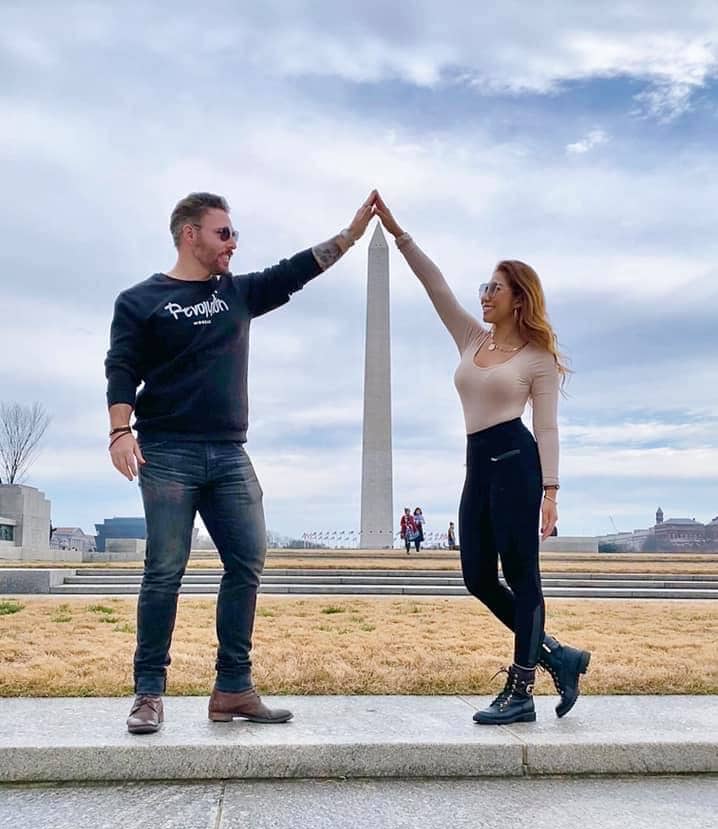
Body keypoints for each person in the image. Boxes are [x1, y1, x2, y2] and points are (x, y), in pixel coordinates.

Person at [106, 190, 377, 734]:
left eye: (234, 233)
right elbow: (121, 366)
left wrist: (349, 236)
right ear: (190, 234)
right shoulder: (139, 300)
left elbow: (295, 271)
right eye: (223, 232)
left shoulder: (239, 293)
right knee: (164, 571)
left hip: (229, 452)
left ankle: (233, 688)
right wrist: (119, 429)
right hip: (167, 451)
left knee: (248, 560)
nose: (234, 242)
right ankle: (148, 693)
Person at [374, 192, 591, 725]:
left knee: (524, 579)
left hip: (517, 466)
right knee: (476, 576)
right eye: (484, 287)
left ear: (519, 298)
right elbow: (434, 286)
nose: (484, 295)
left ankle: (521, 693)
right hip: (477, 469)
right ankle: (557, 656)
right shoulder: (472, 338)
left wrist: (552, 492)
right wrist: (399, 233)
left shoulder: (537, 359)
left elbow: (546, 427)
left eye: (494, 288)